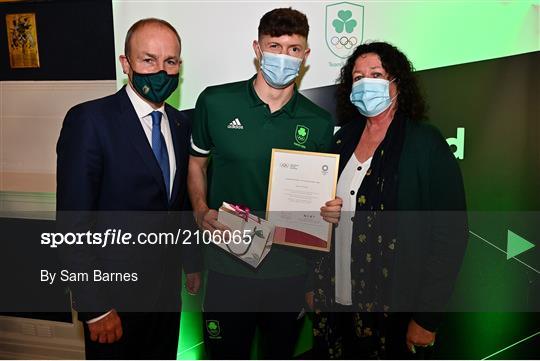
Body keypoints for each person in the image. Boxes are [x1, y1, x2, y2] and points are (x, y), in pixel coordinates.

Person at [188, 7, 341, 359]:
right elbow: (196, 165)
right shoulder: (215, 102)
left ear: (306, 56)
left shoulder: (318, 122)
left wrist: (329, 211)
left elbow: (322, 196)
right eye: (274, 46)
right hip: (228, 264)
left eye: (293, 49)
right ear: (257, 49)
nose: (283, 57)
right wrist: (199, 209)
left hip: (289, 271)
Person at [56, 18, 201, 359]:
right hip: (113, 300)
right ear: (126, 64)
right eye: (148, 59)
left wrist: (192, 260)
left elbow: (176, 207)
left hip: (166, 297)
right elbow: (73, 224)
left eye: (170, 61)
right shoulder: (90, 121)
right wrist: (94, 307)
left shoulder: (180, 125)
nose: (161, 71)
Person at [312, 41, 468, 359]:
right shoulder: (341, 141)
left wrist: (425, 317)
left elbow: (450, 236)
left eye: (376, 74)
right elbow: (325, 212)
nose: (365, 82)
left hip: (395, 309)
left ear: (397, 83)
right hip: (337, 299)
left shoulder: (425, 143)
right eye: (357, 77)